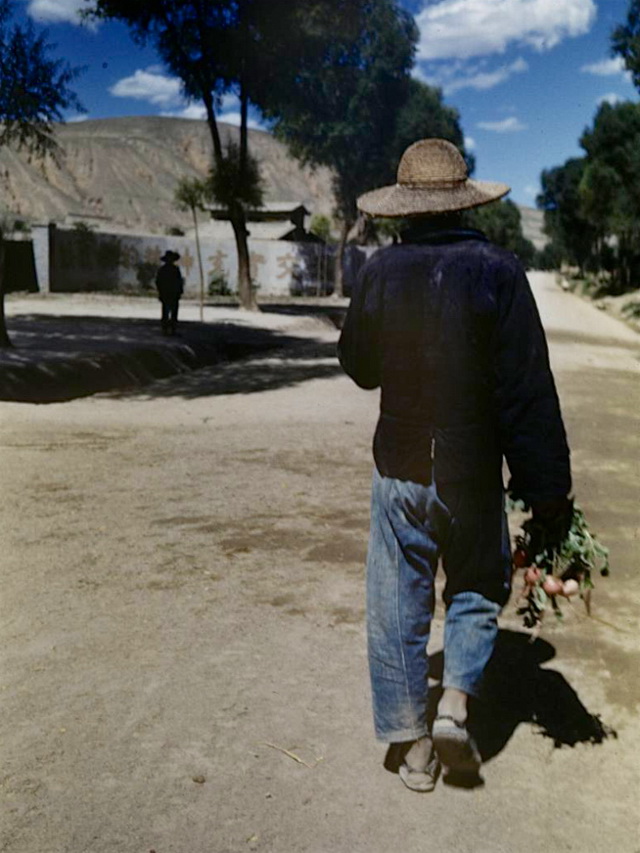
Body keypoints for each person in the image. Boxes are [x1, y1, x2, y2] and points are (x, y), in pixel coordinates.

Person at [338, 138, 572, 791]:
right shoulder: (500, 270)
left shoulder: (381, 272)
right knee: (475, 583)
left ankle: (413, 749)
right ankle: (456, 703)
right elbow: (528, 391)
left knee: (396, 599)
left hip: (400, 466)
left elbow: (357, 367)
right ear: (463, 202)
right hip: (471, 472)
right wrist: (548, 491)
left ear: (404, 209)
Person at [155, 250, 184, 335]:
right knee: (169, 312)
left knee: (169, 312)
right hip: (169, 293)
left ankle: (169, 328)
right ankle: (168, 328)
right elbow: (159, 282)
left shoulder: (167, 270)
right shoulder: (171, 270)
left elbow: (179, 282)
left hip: (170, 294)